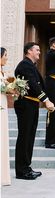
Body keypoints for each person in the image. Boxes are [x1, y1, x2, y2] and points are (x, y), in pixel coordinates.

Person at [14, 42, 55, 180]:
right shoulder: (24, 65)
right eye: (37, 50)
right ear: (29, 51)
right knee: (25, 137)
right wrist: (46, 100)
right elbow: (32, 84)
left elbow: (37, 85)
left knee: (30, 137)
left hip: (32, 104)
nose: (39, 52)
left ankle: (26, 167)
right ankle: (22, 171)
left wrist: (45, 99)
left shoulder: (30, 66)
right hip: (25, 104)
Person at [1, 47, 17, 186]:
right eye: (5, 55)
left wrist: (13, 89)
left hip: (3, 104)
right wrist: (8, 88)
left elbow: (6, 86)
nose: (7, 58)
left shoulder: (3, 73)